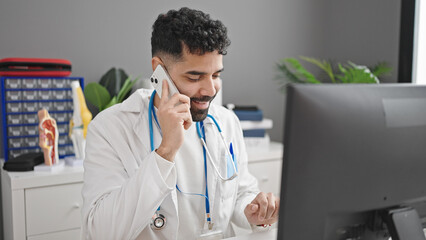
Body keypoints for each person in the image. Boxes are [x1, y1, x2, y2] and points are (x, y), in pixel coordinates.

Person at [81, 7, 279, 240]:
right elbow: (100, 232)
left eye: (215, 75)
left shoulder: (226, 121)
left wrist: (251, 209)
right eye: (194, 77)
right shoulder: (110, 128)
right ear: (159, 69)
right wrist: (165, 152)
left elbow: (239, 192)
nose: (210, 90)